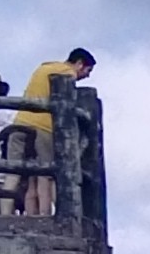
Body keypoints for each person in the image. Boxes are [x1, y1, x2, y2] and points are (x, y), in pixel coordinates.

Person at [7, 44, 94, 217]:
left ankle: (4, 214)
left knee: (12, 172)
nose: (87, 75)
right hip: (43, 126)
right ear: (79, 64)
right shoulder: (67, 75)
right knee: (46, 174)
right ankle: (46, 216)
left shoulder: (43, 67)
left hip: (20, 122)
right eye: (88, 70)